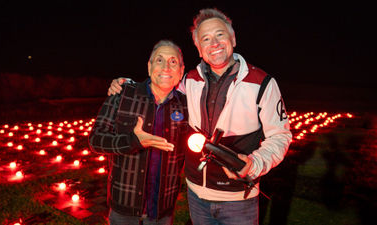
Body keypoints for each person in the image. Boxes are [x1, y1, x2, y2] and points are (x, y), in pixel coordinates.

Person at [108, 8, 292, 225]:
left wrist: (255, 163)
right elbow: (159, 87)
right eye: (206, 39)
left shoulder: (262, 83)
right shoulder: (189, 81)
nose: (214, 43)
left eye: (220, 35)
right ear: (199, 49)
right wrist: (127, 85)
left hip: (238, 200)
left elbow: (280, 136)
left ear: (233, 38)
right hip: (196, 196)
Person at [89, 40, 189, 225]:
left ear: (181, 71)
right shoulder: (123, 94)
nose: (166, 67)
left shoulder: (186, 105)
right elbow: (95, 140)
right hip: (124, 205)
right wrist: (133, 141)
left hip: (162, 209)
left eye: (173, 62)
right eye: (159, 60)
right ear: (149, 66)